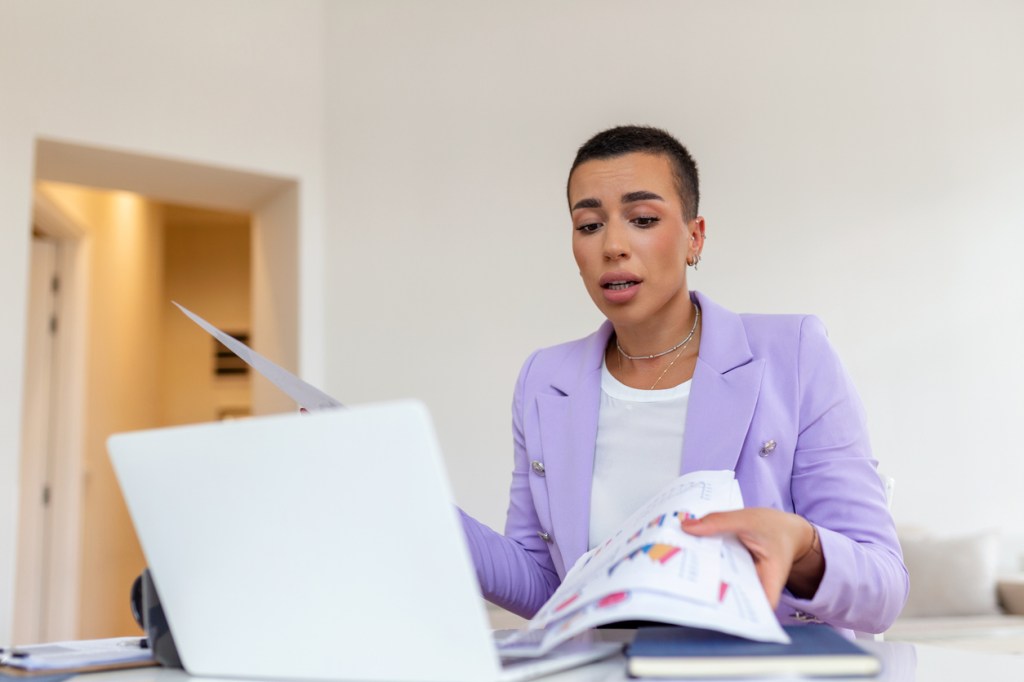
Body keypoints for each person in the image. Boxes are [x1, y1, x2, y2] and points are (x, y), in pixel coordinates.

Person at [459, 125, 908, 636]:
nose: (613, 245)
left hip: (761, 667)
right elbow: (549, 588)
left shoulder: (794, 353)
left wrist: (803, 546)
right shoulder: (544, 379)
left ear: (694, 237)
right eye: (589, 225)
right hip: (607, 666)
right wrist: (419, 511)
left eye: (643, 219)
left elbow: (883, 590)